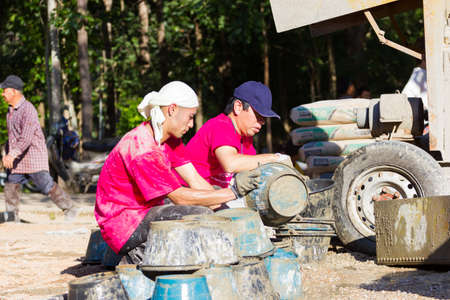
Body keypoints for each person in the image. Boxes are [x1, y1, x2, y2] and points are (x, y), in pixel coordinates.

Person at [95, 81, 260, 264]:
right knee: (200, 215)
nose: (191, 124)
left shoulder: (170, 140)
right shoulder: (142, 148)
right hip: (124, 223)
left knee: (210, 198)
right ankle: (139, 255)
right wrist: (233, 193)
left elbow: (196, 181)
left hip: (146, 211)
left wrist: (229, 211)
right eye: (190, 117)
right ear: (172, 109)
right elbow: (180, 198)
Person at [185, 81, 292, 208]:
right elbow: (230, 164)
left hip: (217, 197)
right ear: (238, 107)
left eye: (264, 118)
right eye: (258, 116)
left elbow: (253, 172)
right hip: (193, 197)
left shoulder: (246, 139)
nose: (262, 122)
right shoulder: (221, 126)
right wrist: (276, 158)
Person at [0, 75, 79, 222]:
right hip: (18, 159)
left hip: (33, 157)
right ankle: (12, 217)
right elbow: (13, 137)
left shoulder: (28, 109)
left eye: (5, 90)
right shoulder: (10, 112)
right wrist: (7, 154)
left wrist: (12, 155)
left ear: (14, 91)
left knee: (46, 184)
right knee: (11, 184)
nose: (3, 94)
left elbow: (26, 137)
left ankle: (70, 208)